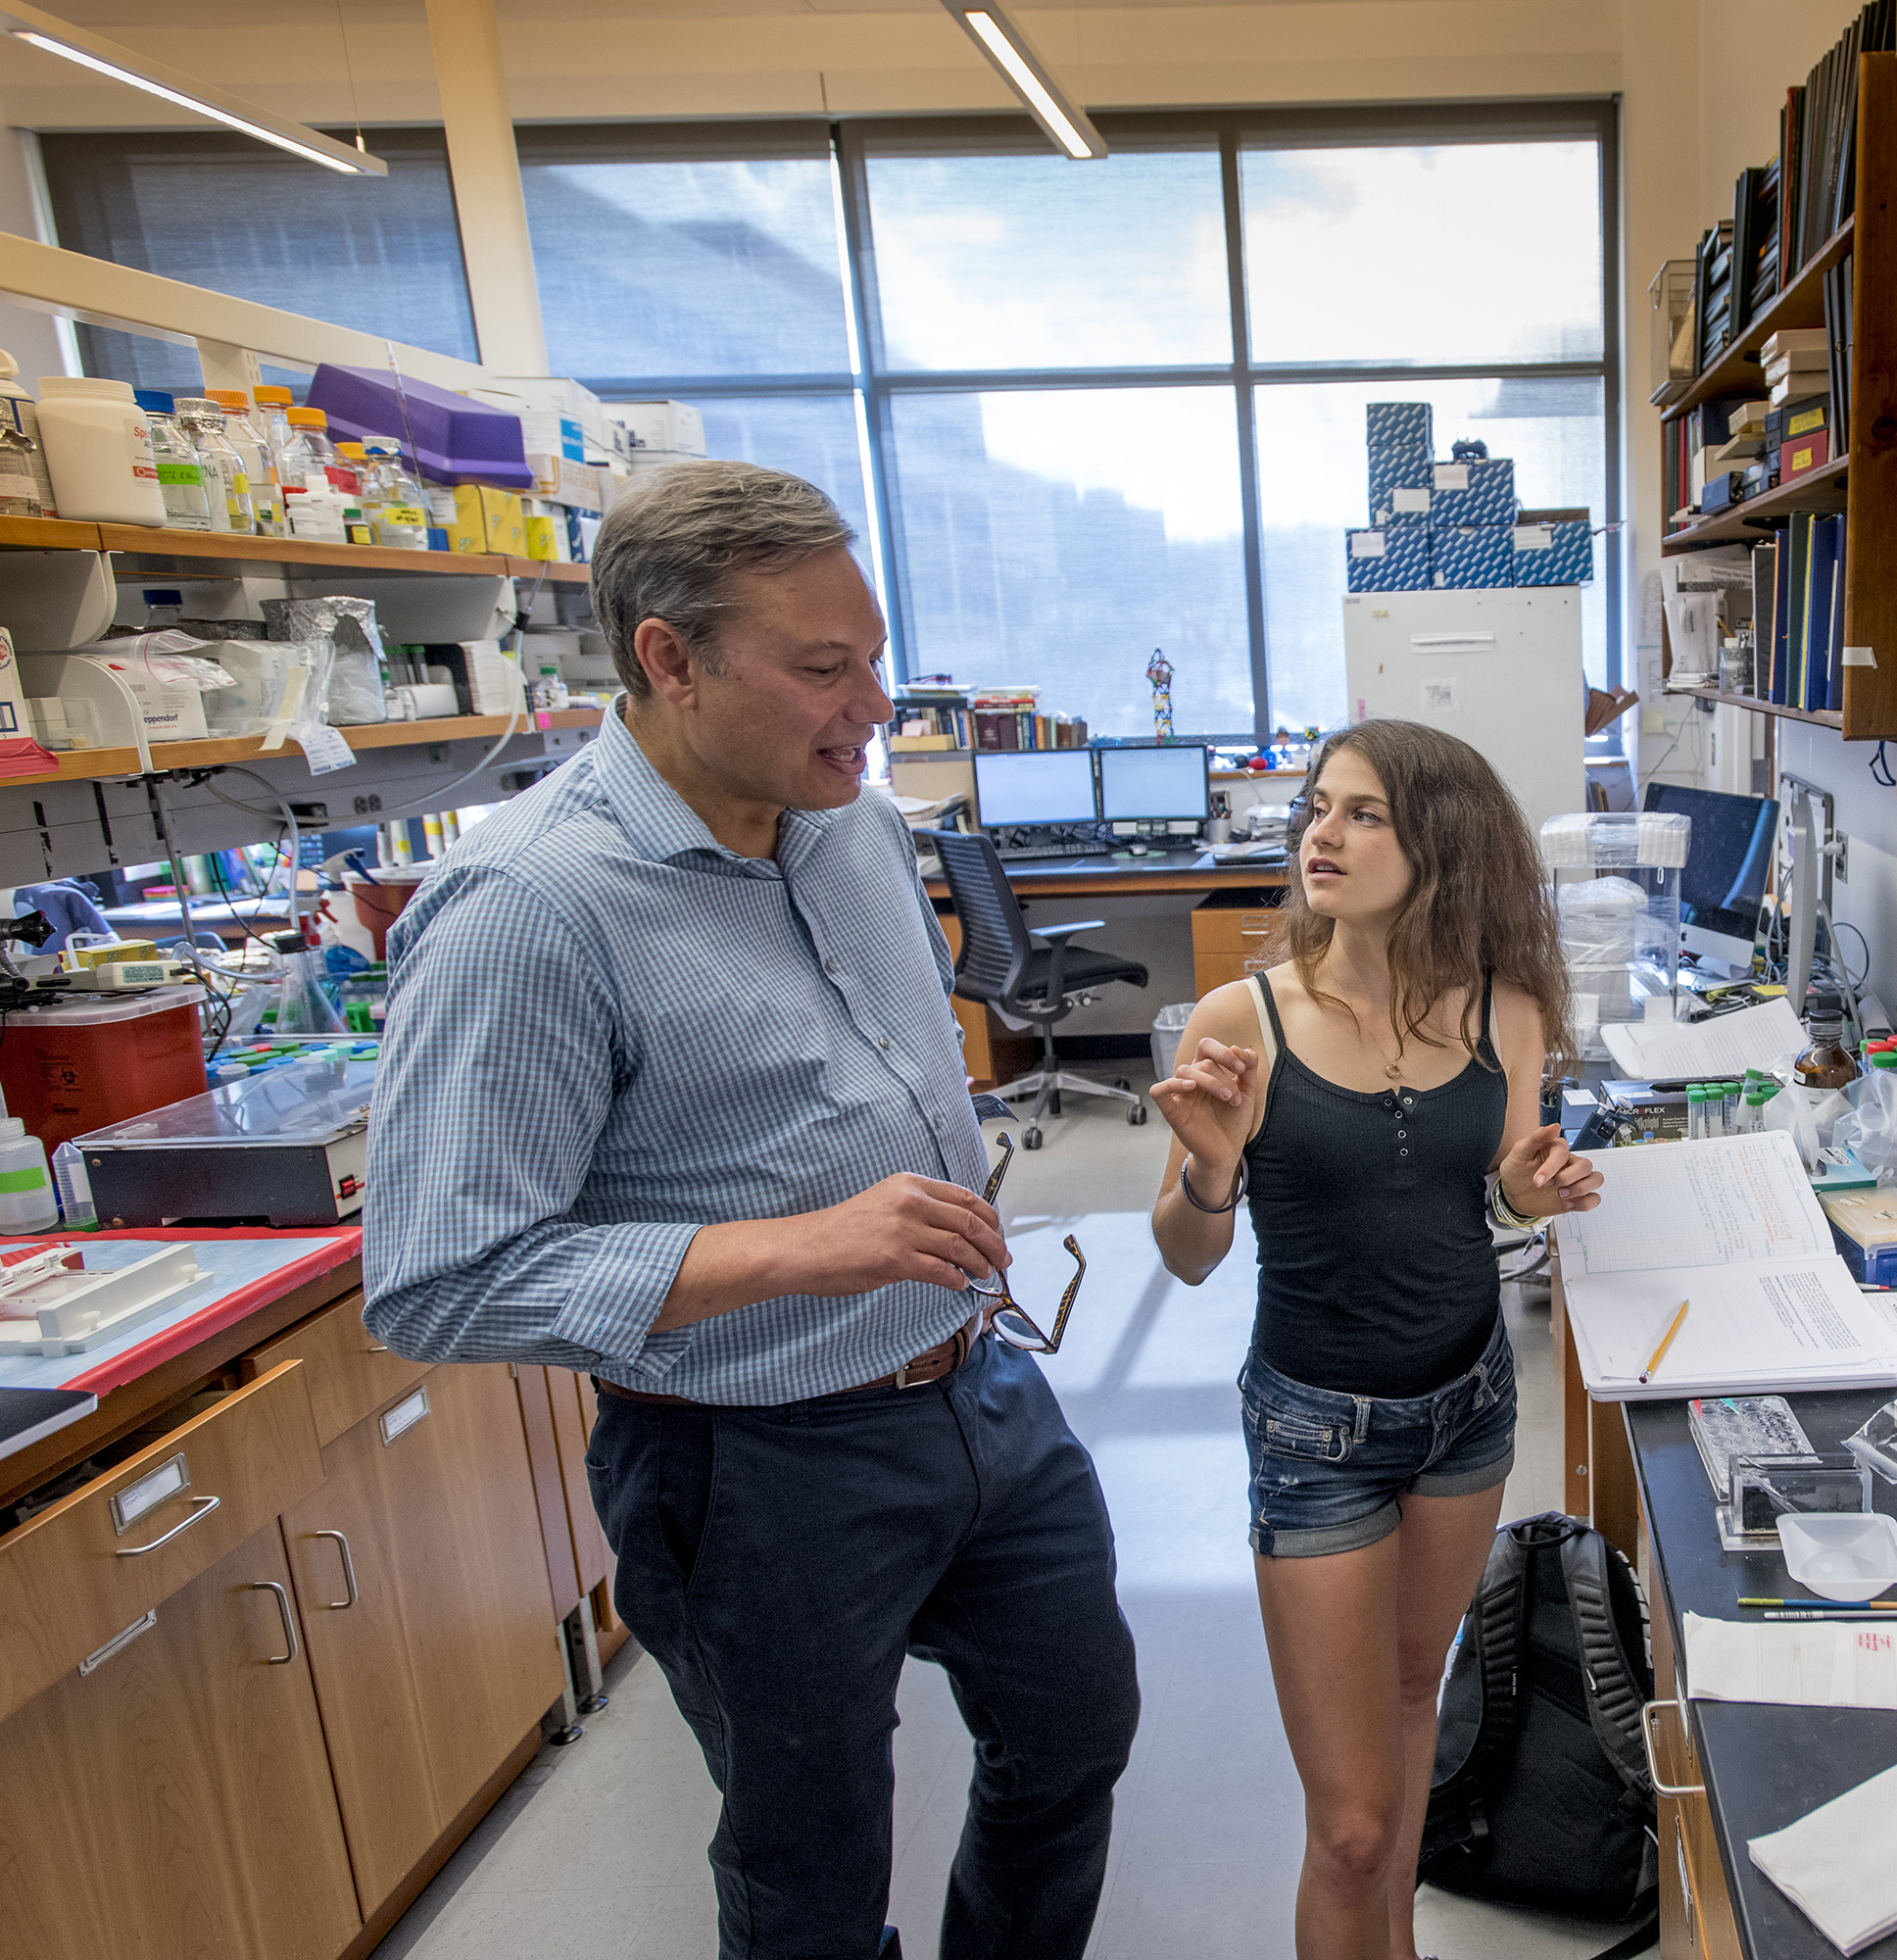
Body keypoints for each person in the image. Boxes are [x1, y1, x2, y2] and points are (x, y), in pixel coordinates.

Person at [363, 461, 1138, 1960]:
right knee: (813, 1869)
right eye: (822, 669)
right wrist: (802, 1247)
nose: (875, 708)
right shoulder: (530, 912)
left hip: (979, 1387)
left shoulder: (844, 812)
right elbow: (436, 1281)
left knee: (1075, 1741)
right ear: (669, 658)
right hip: (756, 1464)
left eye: (877, 660)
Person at [1145, 721, 1603, 1960]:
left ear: (1440, 847)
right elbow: (1187, 1254)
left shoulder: (1508, 1015)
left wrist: (1530, 1192)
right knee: (1349, 1822)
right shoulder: (1242, 1024)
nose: (1318, 836)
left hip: (1466, 1408)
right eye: (1316, 808)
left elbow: (1485, 1201)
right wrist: (1209, 1166)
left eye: (1360, 815)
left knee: (1411, 1719)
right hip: (1315, 1433)